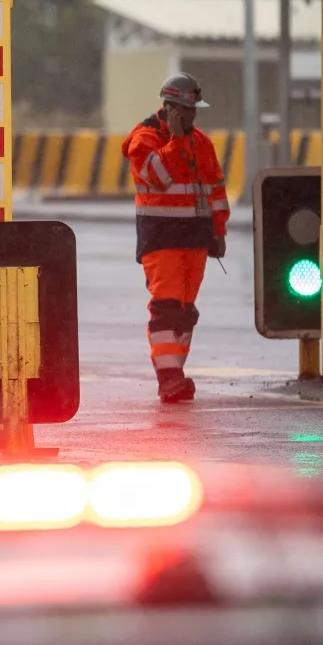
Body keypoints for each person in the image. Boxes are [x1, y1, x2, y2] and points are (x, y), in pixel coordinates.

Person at [123, 73, 229, 404]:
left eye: (194, 110)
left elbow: (216, 190)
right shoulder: (145, 140)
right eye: (185, 110)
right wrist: (177, 139)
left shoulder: (201, 142)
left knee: (184, 311)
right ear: (169, 108)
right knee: (167, 309)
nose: (192, 116)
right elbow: (160, 179)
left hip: (195, 238)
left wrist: (218, 230)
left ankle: (175, 374)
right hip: (163, 239)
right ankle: (168, 377)